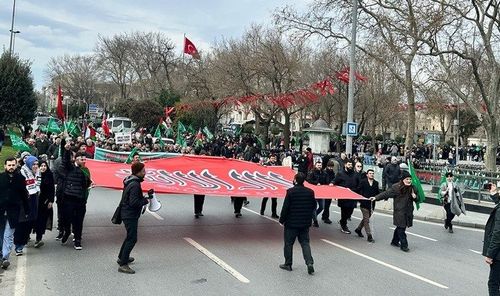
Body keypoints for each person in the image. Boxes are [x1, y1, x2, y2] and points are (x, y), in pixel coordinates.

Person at [278, 173, 316, 275]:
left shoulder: (290, 192)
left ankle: (288, 264)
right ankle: (309, 263)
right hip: (304, 223)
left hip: (291, 223)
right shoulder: (310, 192)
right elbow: (313, 206)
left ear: (295, 180)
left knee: (288, 243)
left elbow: (285, 208)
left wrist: (281, 220)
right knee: (305, 243)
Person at [117, 162, 151, 274]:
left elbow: (133, 198)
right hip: (129, 214)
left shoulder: (131, 181)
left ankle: (122, 257)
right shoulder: (135, 184)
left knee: (129, 236)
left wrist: (143, 197)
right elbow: (133, 202)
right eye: (143, 171)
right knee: (132, 238)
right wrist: (145, 200)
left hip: (126, 213)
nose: (145, 173)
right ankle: (123, 265)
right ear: (138, 172)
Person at [58, 138, 92, 250]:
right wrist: (67, 151)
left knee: (79, 221)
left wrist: (89, 184)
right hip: (69, 198)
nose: (83, 160)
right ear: (76, 159)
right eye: (81, 158)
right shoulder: (70, 168)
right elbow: (65, 162)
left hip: (80, 200)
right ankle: (67, 231)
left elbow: (86, 184)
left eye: (84, 159)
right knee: (67, 218)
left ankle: (78, 240)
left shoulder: (86, 170)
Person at [371, 170, 417, 252]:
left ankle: (394, 242)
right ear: (402, 180)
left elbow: (418, 200)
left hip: (408, 212)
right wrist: (376, 198)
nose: (409, 181)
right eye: (407, 179)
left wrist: (415, 197)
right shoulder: (396, 187)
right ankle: (404, 245)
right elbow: (386, 193)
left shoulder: (413, 188)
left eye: (410, 179)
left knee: (400, 227)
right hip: (399, 212)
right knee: (401, 228)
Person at [0, 157, 29, 269]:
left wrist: (27, 210)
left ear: (16, 165)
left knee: (8, 235)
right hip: (1, 210)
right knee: (1, 234)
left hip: (13, 212)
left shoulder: (20, 178)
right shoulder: (1, 177)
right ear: (5, 166)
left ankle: (5, 258)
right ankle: (1, 253)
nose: (11, 167)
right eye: (9, 165)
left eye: (13, 165)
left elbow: (24, 195)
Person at [15, 156, 40, 256]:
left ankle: (24, 241)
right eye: (33, 164)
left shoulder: (37, 173)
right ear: (29, 164)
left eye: (36, 164)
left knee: (30, 222)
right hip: (23, 201)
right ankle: (18, 245)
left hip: (34, 199)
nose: (35, 166)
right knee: (22, 223)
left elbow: (38, 184)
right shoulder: (22, 172)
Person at [334, 160, 360, 234]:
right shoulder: (340, 173)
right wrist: (332, 184)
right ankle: (344, 225)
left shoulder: (355, 174)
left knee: (350, 212)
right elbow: (335, 182)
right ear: (345, 165)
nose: (350, 166)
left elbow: (359, 184)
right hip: (343, 197)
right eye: (349, 165)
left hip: (352, 196)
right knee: (344, 211)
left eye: (351, 165)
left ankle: (342, 221)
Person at [483, 183, 500, 295]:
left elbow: (498, 234)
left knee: (493, 284)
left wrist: (490, 255)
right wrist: (494, 194)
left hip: (498, 256)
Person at [34, 160, 54, 248]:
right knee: (31, 220)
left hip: (44, 202)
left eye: (44, 166)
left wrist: (50, 201)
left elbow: (52, 189)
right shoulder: (34, 175)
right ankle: (26, 236)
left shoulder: (49, 176)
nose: (43, 167)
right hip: (34, 201)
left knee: (41, 220)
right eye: (41, 166)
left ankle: (39, 238)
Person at [355, 169, 380, 242]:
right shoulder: (363, 182)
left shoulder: (376, 183)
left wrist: (382, 197)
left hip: (372, 204)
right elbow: (358, 190)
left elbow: (377, 193)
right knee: (366, 220)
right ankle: (369, 236)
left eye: (373, 173)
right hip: (364, 204)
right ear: (367, 174)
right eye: (370, 173)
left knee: (366, 219)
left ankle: (358, 229)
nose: (371, 174)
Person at [306, 161, 327, 227]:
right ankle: (315, 221)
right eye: (318, 165)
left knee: (321, 207)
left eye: (320, 165)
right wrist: (316, 183)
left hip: (321, 192)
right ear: (315, 165)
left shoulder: (324, 173)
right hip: (314, 192)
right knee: (314, 207)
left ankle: (313, 216)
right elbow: (308, 180)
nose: (319, 166)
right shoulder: (312, 172)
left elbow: (326, 181)